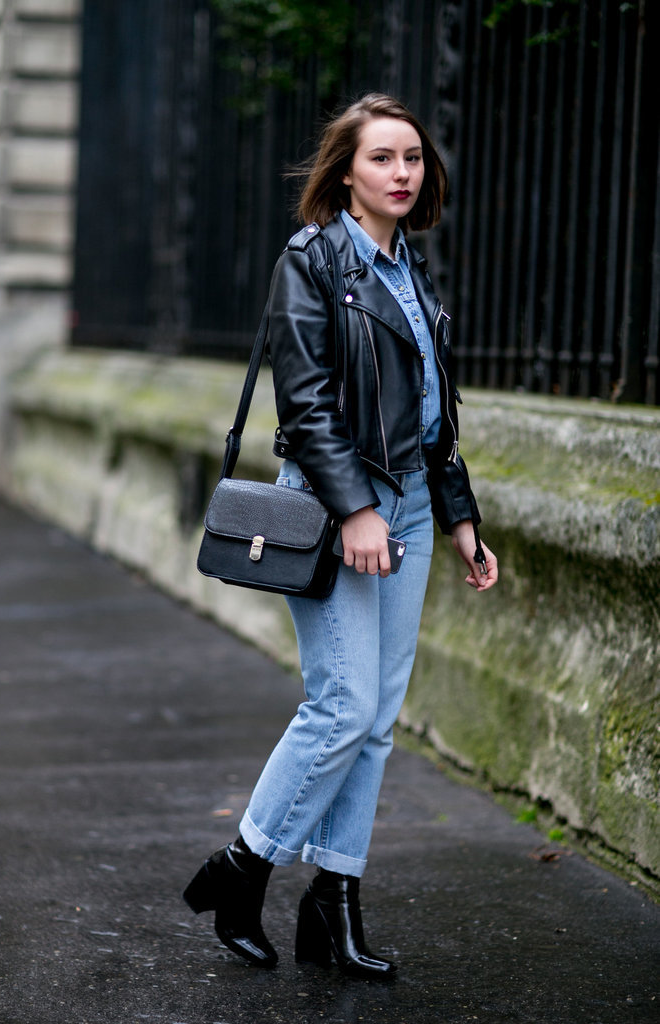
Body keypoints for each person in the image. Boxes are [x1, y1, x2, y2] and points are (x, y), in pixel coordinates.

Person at [183, 92, 498, 978]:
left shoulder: (411, 267)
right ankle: (240, 870)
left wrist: (459, 517)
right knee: (342, 706)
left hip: (409, 509)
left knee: (378, 722)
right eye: (382, 158)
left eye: (412, 158)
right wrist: (356, 509)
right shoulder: (313, 259)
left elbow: (432, 413)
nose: (402, 173)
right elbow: (309, 403)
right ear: (345, 173)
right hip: (334, 509)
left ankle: (333, 904)